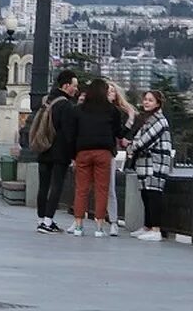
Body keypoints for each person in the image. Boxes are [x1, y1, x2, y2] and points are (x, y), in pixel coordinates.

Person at [70, 79, 128, 238]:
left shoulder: (79, 110)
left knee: (81, 189)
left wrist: (73, 154)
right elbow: (119, 133)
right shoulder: (112, 110)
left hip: (83, 152)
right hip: (104, 152)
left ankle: (79, 225)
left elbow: (72, 134)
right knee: (102, 190)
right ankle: (99, 226)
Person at [36, 70, 80, 234]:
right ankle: (48, 221)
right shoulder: (66, 105)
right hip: (59, 152)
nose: (76, 89)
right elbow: (69, 134)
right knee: (56, 186)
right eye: (75, 86)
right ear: (67, 85)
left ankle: (41, 220)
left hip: (44, 149)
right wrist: (74, 155)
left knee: (43, 186)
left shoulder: (47, 100)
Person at [125, 90, 172, 242]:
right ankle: (147, 226)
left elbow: (145, 140)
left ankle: (156, 229)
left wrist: (131, 147)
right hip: (145, 163)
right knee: (146, 194)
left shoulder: (159, 120)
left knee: (154, 194)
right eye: (145, 99)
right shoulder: (148, 119)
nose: (146, 102)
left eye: (150, 100)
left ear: (158, 103)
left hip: (156, 163)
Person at [107, 83, 137, 236]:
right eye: (108, 91)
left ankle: (113, 221)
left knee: (110, 188)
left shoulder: (117, 112)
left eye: (113, 91)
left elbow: (120, 133)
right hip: (99, 150)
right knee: (87, 188)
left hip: (110, 151)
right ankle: (79, 218)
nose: (110, 93)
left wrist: (130, 119)